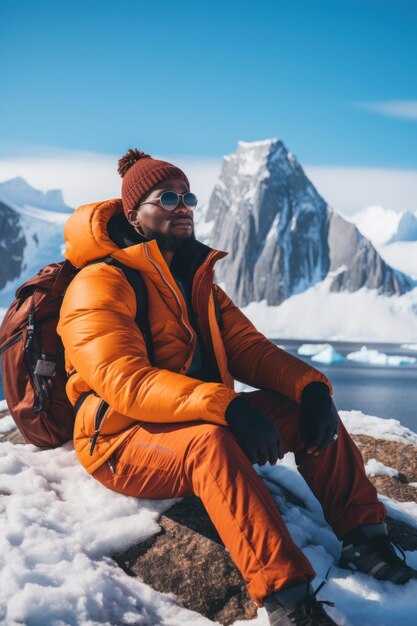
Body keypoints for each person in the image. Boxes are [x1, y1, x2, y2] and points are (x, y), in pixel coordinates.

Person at [57, 149, 417, 626]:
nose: (181, 206)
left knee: (300, 404)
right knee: (211, 442)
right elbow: (125, 382)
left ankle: (365, 540)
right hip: (118, 439)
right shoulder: (99, 283)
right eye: (166, 198)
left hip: (191, 417)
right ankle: (288, 600)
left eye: (187, 196)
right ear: (133, 213)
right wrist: (226, 406)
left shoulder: (192, 276)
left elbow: (248, 347)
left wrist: (309, 387)